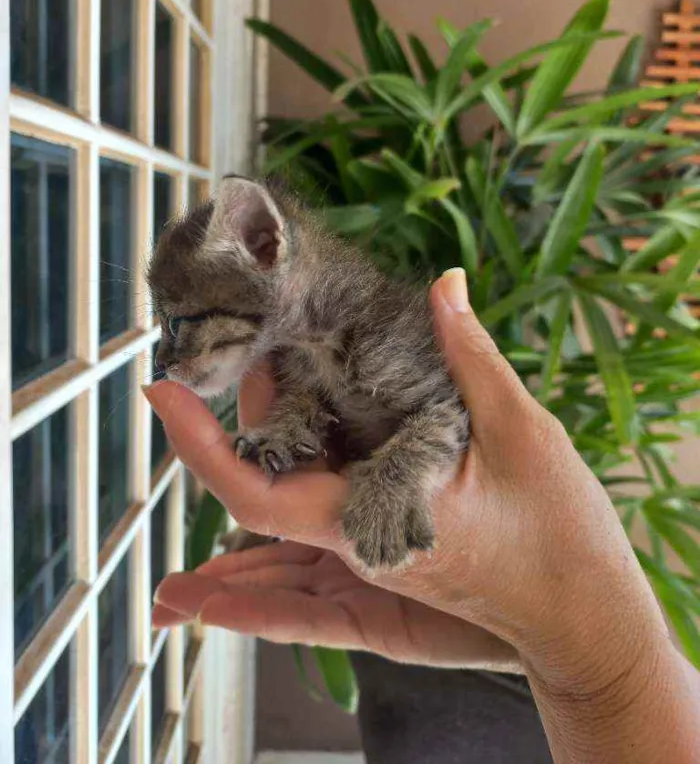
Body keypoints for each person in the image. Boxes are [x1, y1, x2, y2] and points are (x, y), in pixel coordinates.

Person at [146, 268, 700, 762]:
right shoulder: (296, 350)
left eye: (181, 325)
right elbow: (315, 404)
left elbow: (443, 419)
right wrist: (556, 648)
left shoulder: (373, 324)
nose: (168, 361)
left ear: (268, 253)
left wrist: (587, 657)